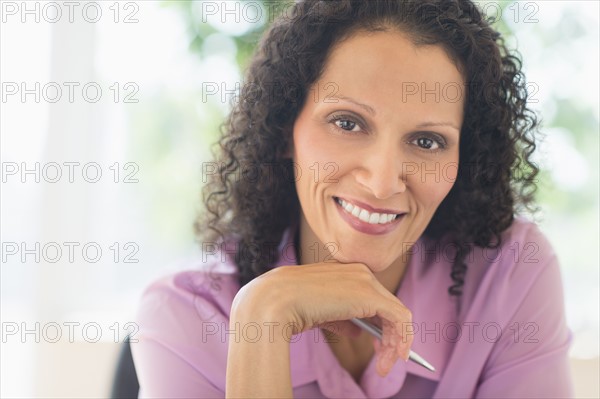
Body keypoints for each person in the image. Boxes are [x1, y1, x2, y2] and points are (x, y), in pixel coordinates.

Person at [131, 0, 574, 397]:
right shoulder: (186, 319)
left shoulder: (513, 272)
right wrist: (262, 322)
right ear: (286, 128)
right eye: (347, 123)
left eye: (426, 141)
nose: (382, 183)